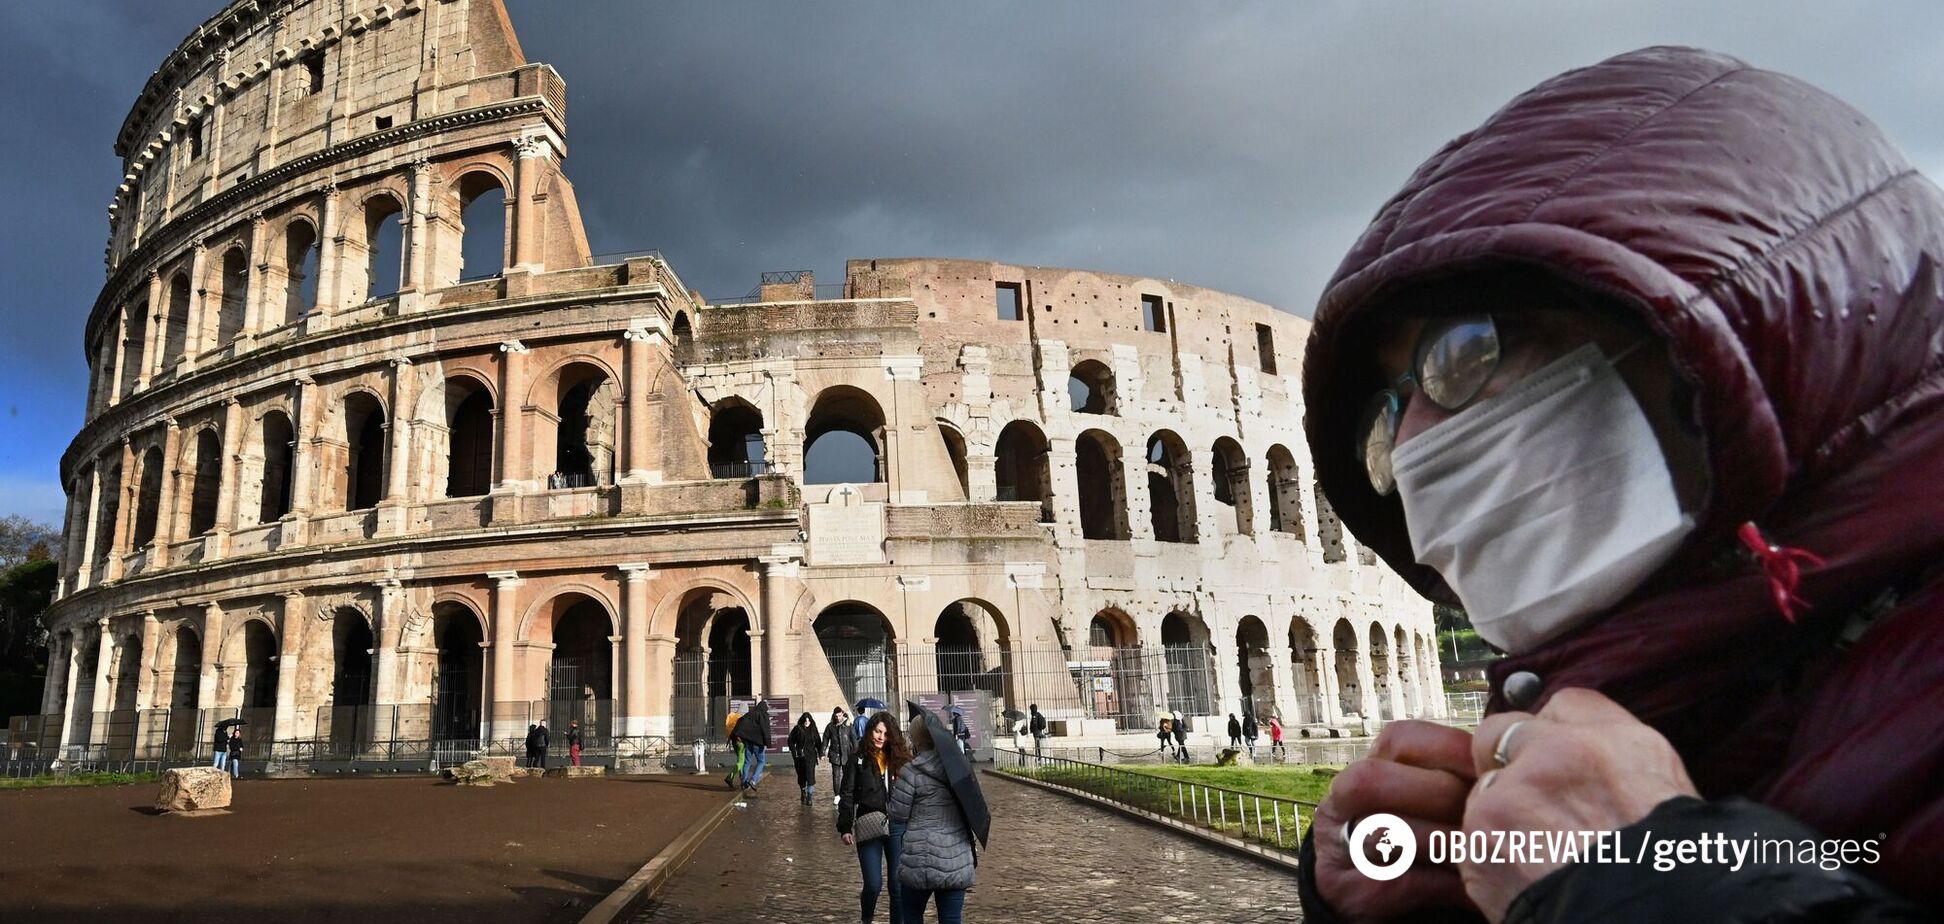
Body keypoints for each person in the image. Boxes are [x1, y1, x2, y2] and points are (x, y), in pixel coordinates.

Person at [1294, 46, 1942, 923]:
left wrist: (1648, 887)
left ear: (1720, 339)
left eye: (1467, 349)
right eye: (1388, 408)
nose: (1408, 450)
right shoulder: (1665, 693)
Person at [890, 715, 977, 924]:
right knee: (951, 919)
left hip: (919, 858)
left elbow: (897, 814)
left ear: (916, 739)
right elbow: (974, 806)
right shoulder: (959, 768)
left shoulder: (910, 772)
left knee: (911, 914)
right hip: (956, 857)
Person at [838, 712, 911, 924]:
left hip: (897, 825)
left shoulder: (900, 760)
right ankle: (867, 917)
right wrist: (845, 827)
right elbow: (847, 794)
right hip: (869, 822)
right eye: (878, 731)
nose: (881, 737)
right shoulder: (858, 759)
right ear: (871, 731)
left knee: (897, 886)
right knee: (873, 884)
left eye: (886, 734)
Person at [731, 697, 772, 794]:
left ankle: (744, 782)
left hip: (748, 742)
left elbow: (740, 722)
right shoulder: (764, 715)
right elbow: (766, 730)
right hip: (758, 743)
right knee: (761, 761)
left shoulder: (750, 714)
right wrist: (768, 742)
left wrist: (738, 735)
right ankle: (753, 780)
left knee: (747, 761)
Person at [789, 711, 825, 806]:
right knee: (801, 776)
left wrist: (821, 753)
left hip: (811, 756)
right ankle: (803, 792)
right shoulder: (797, 729)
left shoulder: (813, 729)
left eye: (808, 720)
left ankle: (809, 796)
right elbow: (790, 740)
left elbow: (818, 743)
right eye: (805, 720)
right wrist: (794, 751)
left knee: (810, 776)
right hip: (799, 756)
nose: (807, 722)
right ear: (802, 721)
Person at [824, 708, 858, 805]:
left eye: (839, 715)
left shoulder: (848, 725)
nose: (838, 718)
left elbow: (854, 739)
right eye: (836, 716)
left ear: (842, 714)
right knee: (836, 776)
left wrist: (856, 751)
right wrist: (822, 752)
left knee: (848, 775)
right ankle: (837, 795)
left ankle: (846, 793)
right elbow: (825, 739)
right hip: (835, 754)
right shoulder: (830, 726)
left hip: (847, 754)